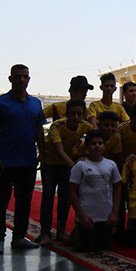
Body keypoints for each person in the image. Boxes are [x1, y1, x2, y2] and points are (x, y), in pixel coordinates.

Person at [0, 64, 45, 255]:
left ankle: (19, 237)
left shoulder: (35, 103)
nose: (22, 79)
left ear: (29, 79)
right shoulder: (0, 103)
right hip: (4, 161)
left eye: (25, 76)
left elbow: (39, 129)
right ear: (10, 79)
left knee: (24, 202)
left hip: (27, 161)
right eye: (18, 76)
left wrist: (42, 152)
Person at [37, 99, 92, 246]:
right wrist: (76, 167)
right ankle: (45, 233)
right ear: (66, 114)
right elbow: (60, 150)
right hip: (50, 163)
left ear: (84, 115)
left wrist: (84, 157)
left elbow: (92, 143)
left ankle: (60, 232)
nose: (76, 117)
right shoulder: (57, 126)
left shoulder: (86, 127)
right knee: (48, 197)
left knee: (65, 199)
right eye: (72, 113)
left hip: (67, 165)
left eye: (79, 114)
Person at [68, 130, 121, 252]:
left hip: (106, 218)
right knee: (85, 248)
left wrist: (115, 213)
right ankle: (75, 233)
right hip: (87, 217)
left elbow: (117, 188)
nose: (97, 146)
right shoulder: (80, 166)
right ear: (86, 147)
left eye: (100, 143)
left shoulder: (111, 165)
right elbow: (72, 191)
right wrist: (81, 215)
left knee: (103, 247)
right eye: (93, 144)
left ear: (104, 146)